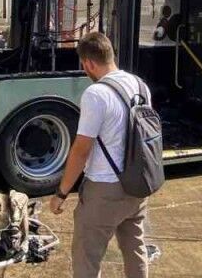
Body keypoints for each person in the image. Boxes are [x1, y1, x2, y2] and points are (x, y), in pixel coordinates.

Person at [49, 31, 150, 278]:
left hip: (105, 190)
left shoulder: (96, 94)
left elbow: (81, 150)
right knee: (135, 249)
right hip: (138, 185)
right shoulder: (140, 85)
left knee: (87, 256)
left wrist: (61, 193)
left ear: (89, 63)